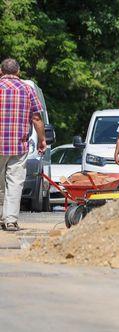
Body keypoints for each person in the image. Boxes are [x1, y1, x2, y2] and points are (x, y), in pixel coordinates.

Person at [0, 58, 46, 231]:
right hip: (18, 146)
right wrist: (42, 139)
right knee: (15, 181)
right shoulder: (28, 89)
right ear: (18, 72)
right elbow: (36, 118)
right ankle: (10, 219)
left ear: (1, 71)